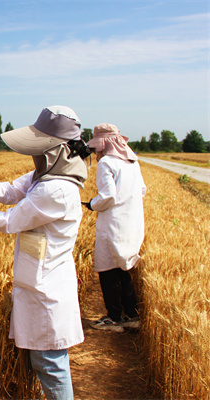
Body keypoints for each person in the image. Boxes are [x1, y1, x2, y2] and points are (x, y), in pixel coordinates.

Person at [0, 106, 91, 400]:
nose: (34, 155)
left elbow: (8, 220)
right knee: (43, 360)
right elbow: (8, 191)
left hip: (47, 286)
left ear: (55, 151)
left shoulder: (56, 190)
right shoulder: (44, 176)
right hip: (38, 280)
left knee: (50, 363)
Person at [84, 123, 146, 332]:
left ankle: (113, 318)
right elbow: (142, 190)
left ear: (104, 144)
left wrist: (93, 204)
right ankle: (131, 315)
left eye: (97, 146)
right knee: (123, 268)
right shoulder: (132, 162)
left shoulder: (107, 163)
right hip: (131, 223)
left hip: (112, 224)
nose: (96, 151)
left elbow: (108, 196)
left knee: (107, 268)